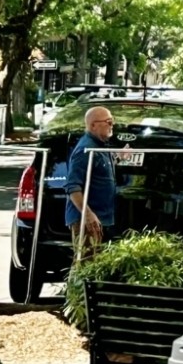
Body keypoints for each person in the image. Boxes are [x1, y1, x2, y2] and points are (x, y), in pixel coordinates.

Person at [63, 106, 119, 263]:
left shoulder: (100, 146)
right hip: (86, 220)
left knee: (93, 265)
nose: (112, 124)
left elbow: (98, 169)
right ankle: (76, 288)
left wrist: (118, 157)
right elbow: (72, 187)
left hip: (99, 218)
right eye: (108, 121)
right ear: (93, 125)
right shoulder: (85, 149)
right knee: (85, 264)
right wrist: (88, 215)